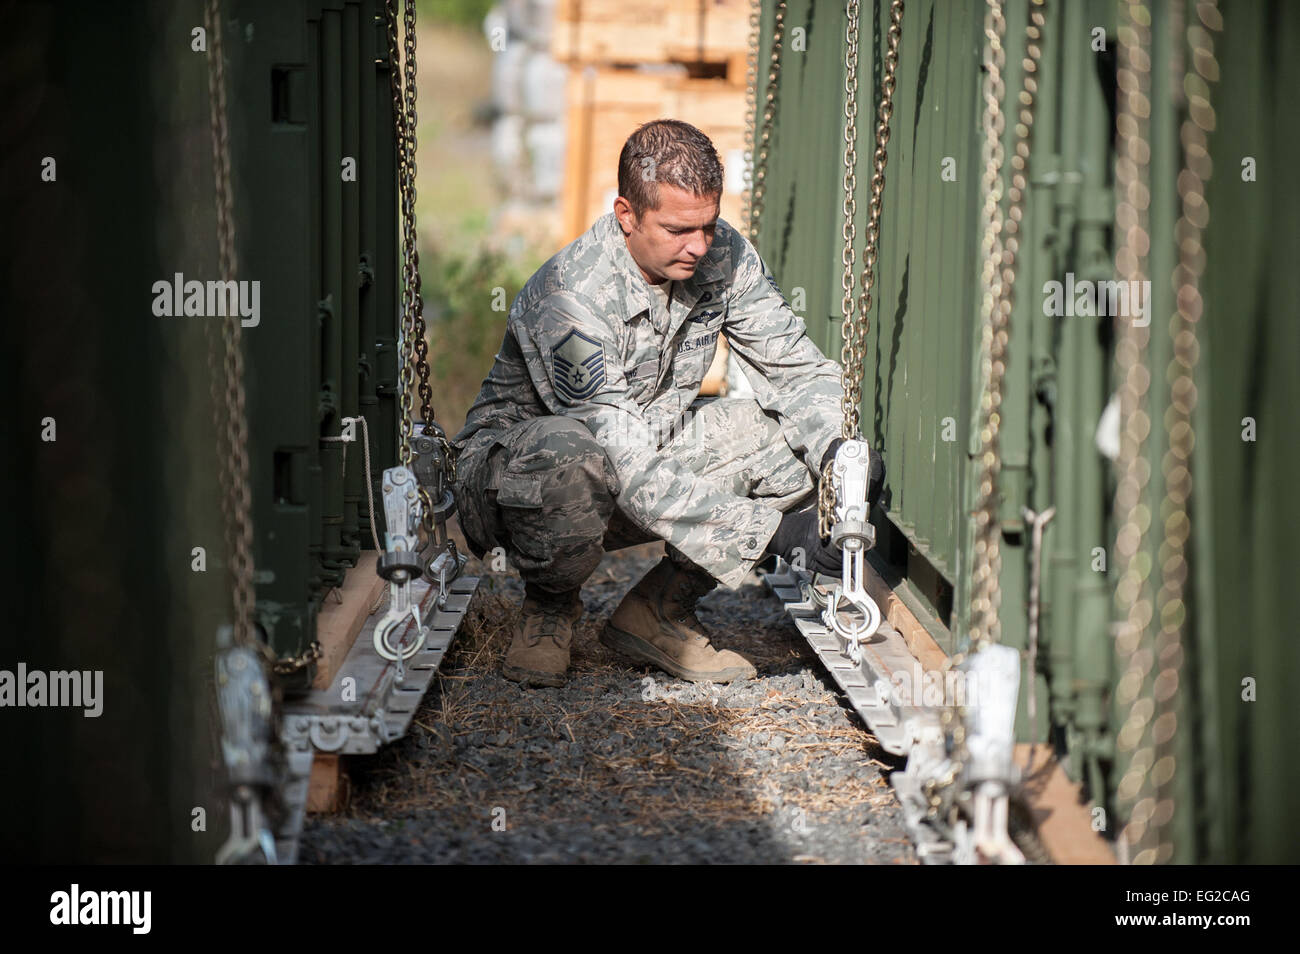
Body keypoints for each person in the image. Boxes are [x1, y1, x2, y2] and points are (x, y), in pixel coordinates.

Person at [450, 119, 882, 688]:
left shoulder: (722, 254)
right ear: (626, 214)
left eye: (707, 225)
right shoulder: (570, 296)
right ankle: (549, 610)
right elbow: (618, 456)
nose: (699, 246)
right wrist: (775, 535)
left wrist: (837, 452)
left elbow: (796, 371)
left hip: (646, 446)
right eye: (679, 229)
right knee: (568, 452)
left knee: (789, 443)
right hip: (523, 484)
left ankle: (657, 613)